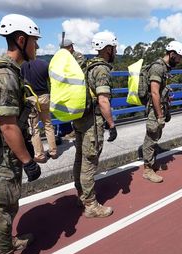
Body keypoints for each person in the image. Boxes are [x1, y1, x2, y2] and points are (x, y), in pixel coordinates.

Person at [0, 14, 42, 254]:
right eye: (34, 42)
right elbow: (7, 125)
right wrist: (28, 161)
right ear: (21, 40)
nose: (37, 47)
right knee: (2, 209)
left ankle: (10, 242)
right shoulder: (4, 77)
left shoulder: (9, 72)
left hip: (7, 153)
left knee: (8, 202)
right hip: (4, 155)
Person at [73, 31, 118, 218]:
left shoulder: (87, 65)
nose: (115, 50)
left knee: (80, 158)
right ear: (108, 49)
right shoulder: (102, 69)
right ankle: (91, 205)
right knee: (89, 162)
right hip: (93, 121)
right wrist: (111, 124)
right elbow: (103, 100)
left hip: (80, 118)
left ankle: (81, 196)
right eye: (114, 47)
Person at [142, 40, 182, 183]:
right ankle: (148, 169)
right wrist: (159, 115)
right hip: (155, 109)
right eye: (178, 57)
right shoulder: (157, 67)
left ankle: (152, 162)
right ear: (172, 54)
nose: (179, 61)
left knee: (156, 136)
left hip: (161, 107)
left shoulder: (165, 68)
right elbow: (154, 93)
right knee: (151, 137)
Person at [21, 59, 58, 163]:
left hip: (31, 99)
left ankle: (40, 155)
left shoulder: (23, 65)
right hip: (45, 97)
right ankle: (53, 152)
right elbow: (50, 80)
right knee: (48, 125)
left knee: (34, 128)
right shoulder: (44, 63)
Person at [58, 37, 87, 140]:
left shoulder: (78, 56)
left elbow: (74, 69)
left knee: (78, 111)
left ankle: (76, 131)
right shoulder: (64, 58)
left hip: (78, 88)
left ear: (70, 47)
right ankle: (69, 130)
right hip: (69, 88)